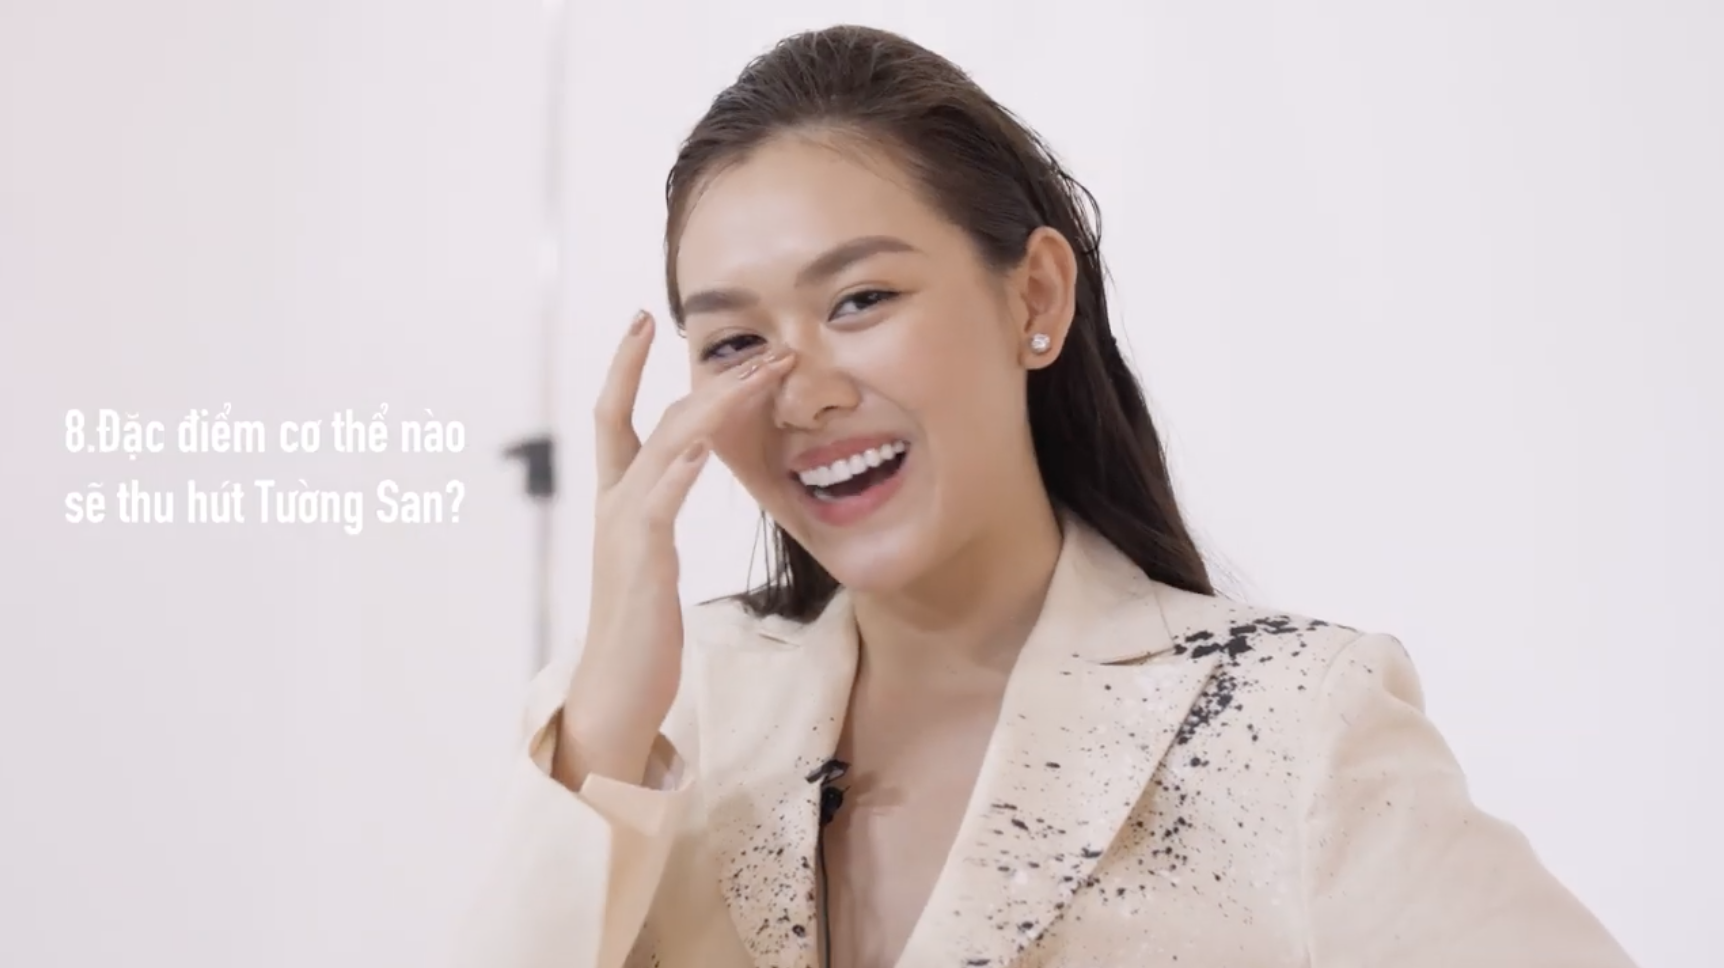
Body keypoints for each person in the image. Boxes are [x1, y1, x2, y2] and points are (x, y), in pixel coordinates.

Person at [453, 24, 1635, 968]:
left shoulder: (1286, 728)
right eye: (733, 343)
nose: (801, 393)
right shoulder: (667, 725)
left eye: (859, 300)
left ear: (1034, 298)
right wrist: (605, 718)